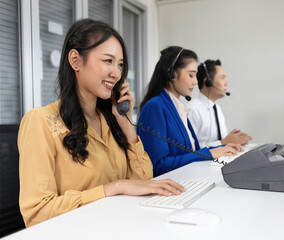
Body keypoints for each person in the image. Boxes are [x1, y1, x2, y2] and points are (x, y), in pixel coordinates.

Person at [18, 19, 184, 227]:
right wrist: (112, 188)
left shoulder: (110, 121)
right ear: (75, 60)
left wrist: (126, 124)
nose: (117, 73)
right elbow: (37, 213)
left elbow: (144, 179)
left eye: (120, 64)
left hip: (117, 227)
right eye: (108, 61)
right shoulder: (40, 121)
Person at [137, 46, 242, 177]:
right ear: (172, 73)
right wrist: (209, 154)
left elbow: (192, 152)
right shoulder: (155, 107)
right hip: (169, 187)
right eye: (191, 75)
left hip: (185, 181)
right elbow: (159, 165)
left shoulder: (178, 107)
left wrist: (221, 149)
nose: (196, 81)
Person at [188, 59, 252, 148]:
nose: (226, 83)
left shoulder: (217, 108)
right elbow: (189, 148)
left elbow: (222, 141)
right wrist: (224, 142)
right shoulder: (193, 110)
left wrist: (233, 142)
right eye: (222, 78)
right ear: (207, 82)